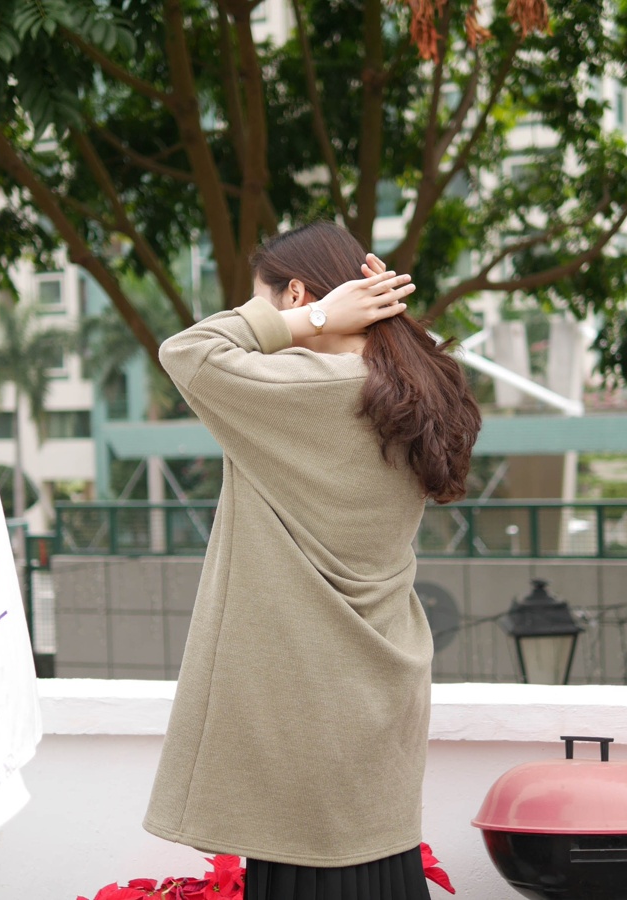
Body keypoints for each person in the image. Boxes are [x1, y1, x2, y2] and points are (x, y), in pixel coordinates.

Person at [143, 221, 482, 899]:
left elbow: (187, 351)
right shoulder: (416, 394)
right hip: (386, 688)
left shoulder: (305, 386)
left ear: (295, 293)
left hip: (303, 703)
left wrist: (315, 319)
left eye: (264, 301)